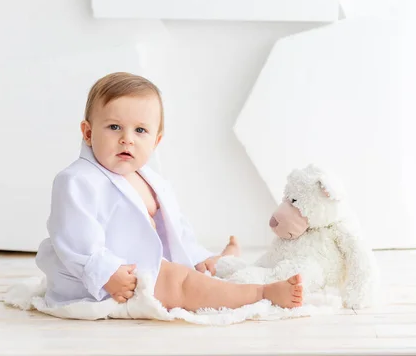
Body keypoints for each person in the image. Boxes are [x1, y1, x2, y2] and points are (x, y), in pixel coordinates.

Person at [35, 72, 303, 311]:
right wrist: (106, 273)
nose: (127, 138)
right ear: (88, 132)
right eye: (114, 126)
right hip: (106, 278)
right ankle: (260, 293)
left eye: (140, 130)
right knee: (181, 282)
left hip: (144, 261)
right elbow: (74, 238)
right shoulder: (77, 180)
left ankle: (216, 263)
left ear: (156, 141)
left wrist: (197, 256)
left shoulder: (151, 179)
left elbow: (176, 228)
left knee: (193, 270)